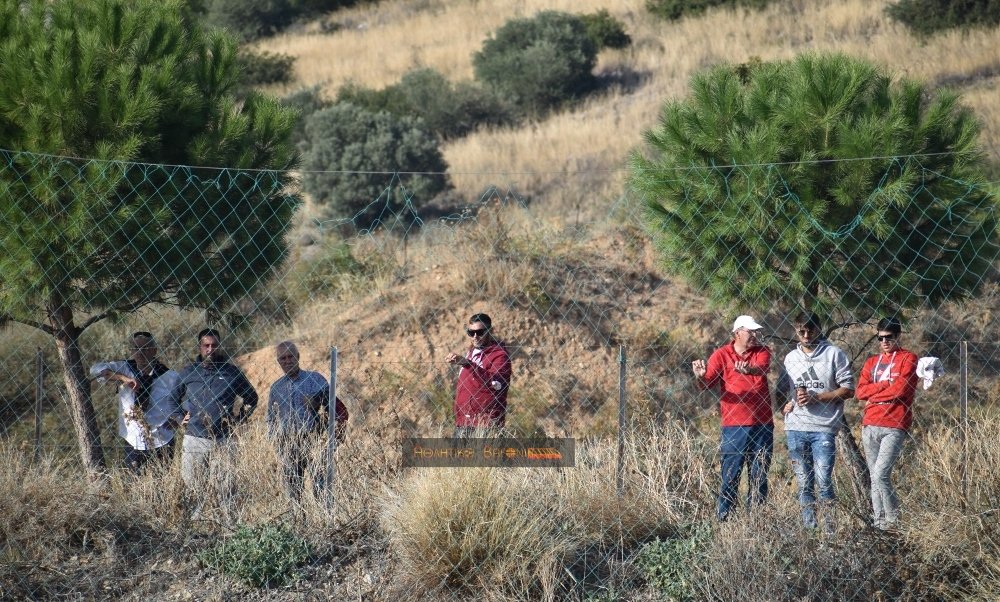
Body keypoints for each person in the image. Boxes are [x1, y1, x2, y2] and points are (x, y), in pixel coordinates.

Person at [692, 315, 774, 521]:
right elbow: (705, 385)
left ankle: (757, 521)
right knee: (730, 476)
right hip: (734, 426)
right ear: (737, 333)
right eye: (751, 331)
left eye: (756, 331)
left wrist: (749, 369)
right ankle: (725, 521)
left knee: (759, 477)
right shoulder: (721, 355)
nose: (755, 335)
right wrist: (700, 377)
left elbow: (762, 368)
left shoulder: (762, 351)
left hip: (762, 424)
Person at [780, 311, 855, 533]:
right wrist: (787, 403)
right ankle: (810, 531)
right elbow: (786, 389)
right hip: (795, 426)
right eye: (800, 331)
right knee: (804, 484)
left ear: (818, 329)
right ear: (795, 330)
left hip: (823, 427)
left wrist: (817, 397)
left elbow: (849, 389)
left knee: (823, 481)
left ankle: (831, 531)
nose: (805, 335)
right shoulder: (790, 358)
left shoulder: (834, 354)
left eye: (809, 330)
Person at [167, 328, 258, 507]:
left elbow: (252, 398)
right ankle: (195, 526)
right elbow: (172, 399)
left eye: (214, 345)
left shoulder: (232, 373)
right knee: (193, 486)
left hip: (224, 439)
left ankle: (226, 525)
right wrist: (179, 417)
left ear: (219, 346)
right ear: (200, 347)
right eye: (206, 345)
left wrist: (238, 419)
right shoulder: (188, 372)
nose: (210, 349)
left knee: (226, 487)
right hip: (194, 437)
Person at [855, 317, 918, 530]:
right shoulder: (872, 362)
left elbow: (902, 389)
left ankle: (893, 523)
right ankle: (879, 523)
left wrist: (876, 393)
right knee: (874, 478)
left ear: (897, 336)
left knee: (881, 475)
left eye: (888, 337)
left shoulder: (908, 358)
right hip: (870, 423)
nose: (884, 342)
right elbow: (860, 392)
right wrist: (883, 385)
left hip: (894, 423)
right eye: (880, 338)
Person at [267, 341, 348, 501]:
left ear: (298, 357)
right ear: (278, 362)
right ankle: (298, 521)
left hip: (314, 442)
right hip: (288, 444)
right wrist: (275, 441)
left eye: (291, 356)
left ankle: (324, 520)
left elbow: (337, 410)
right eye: (283, 358)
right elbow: (271, 418)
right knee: (293, 492)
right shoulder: (276, 388)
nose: (287, 361)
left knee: (321, 488)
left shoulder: (315, 380)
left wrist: (332, 439)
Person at [89, 331, 180, 473]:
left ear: (154, 351)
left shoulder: (169, 377)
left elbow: (187, 399)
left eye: (145, 349)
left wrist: (177, 419)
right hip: (133, 439)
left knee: (162, 481)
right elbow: (95, 369)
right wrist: (122, 378)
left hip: (162, 439)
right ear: (131, 350)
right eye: (136, 349)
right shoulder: (125, 368)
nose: (140, 353)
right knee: (134, 483)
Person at [446, 313, 512, 438]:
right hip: (464, 422)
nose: (475, 336)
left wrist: (467, 364)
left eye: (480, 332)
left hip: (485, 425)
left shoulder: (499, 355)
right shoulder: (471, 353)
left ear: (490, 331)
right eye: (471, 333)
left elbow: (496, 384)